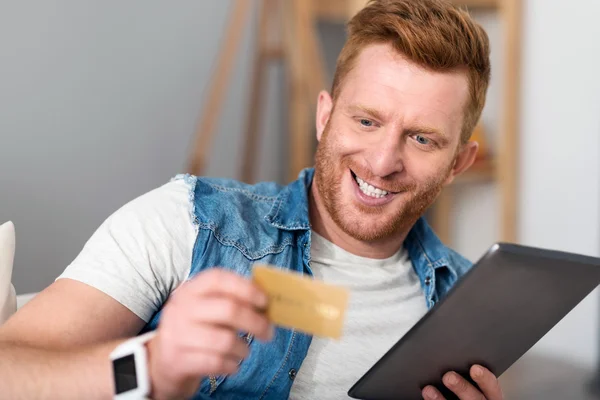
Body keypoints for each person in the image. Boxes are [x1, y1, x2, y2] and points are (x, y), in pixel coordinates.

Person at [0, 0, 503, 399]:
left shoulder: (470, 302)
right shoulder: (187, 223)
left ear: (459, 162)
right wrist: (148, 366)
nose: (382, 160)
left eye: (421, 139)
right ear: (325, 116)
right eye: (366, 121)